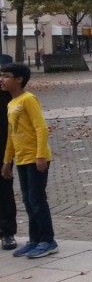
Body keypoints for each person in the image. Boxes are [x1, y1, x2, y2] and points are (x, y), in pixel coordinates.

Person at [1, 63, 56, 258]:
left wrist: (41, 155)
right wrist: (7, 160)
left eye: (6, 76)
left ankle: (48, 240)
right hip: (22, 159)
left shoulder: (29, 100)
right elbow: (11, 134)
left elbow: (41, 128)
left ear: (19, 79)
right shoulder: (10, 103)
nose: (2, 79)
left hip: (35, 158)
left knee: (37, 199)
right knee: (28, 200)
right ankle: (34, 240)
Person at [0, 85, 15, 250]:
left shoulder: (4, 93)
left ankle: (7, 232)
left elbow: (10, 125)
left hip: (2, 148)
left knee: (4, 189)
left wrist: (8, 157)